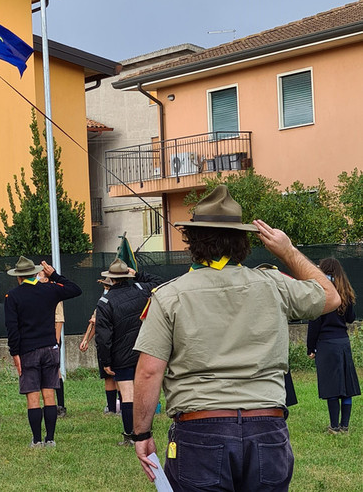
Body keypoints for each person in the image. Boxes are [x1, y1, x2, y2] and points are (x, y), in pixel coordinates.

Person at [131, 185, 340, 491]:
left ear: (192, 241)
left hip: (200, 430)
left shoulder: (169, 295)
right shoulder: (274, 283)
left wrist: (141, 434)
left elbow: (149, 371)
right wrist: (287, 251)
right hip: (267, 428)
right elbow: (330, 296)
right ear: (244, 240)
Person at [4, 257, 82, 448]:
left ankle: (37, 439)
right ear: (35, 273)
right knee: (49, 395)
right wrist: (53, 274)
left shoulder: (12, 296)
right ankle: (51, 438)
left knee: (33, 397)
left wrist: (15, 354)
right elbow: (75, 289)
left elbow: (12, 329)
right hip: (50, 347)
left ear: (18, 277)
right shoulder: (49, 289)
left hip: (27, 350)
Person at [95, 259, 163, 446]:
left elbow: (103, 336)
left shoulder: (105, 301)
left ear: (110, 279)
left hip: (120, 354)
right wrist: (138, 274)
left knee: (128, 394)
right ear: (127, 276)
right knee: (144, 393)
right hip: (144, 350)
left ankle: (129, 435)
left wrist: (105, 360)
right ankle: (144, 431)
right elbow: (160, 281)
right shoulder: (141, 290)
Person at [307, 257, 360, 434]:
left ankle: (334, 427)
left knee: (332, 386)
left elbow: (315, 323)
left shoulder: (322, 292)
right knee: (346, 386)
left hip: (326, 344)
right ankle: (345, 426)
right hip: (343, 343)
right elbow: (351, 318)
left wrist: (311, 347)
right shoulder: (345, 290)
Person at [79, 277, 121, 416]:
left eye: (107, 286)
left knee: (120, 377)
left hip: (117, 342)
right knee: (107, 376)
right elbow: (94, 322)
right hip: (103, 343)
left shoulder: (119, 299)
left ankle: (124, 406)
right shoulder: (101, 301)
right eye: (104, 286)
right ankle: (111, 408)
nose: (105, 288)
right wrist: (86, 340)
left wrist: (99, 320)